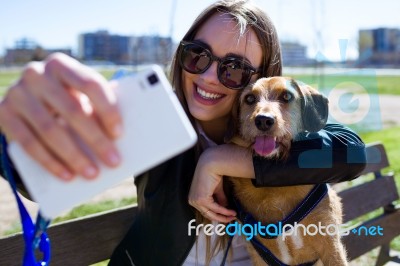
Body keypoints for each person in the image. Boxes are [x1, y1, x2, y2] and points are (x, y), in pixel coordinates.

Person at [0, 0, 366, 265]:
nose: (207, 76)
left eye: (235, 69)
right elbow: (37, 176)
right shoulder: (155, 122)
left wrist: (218, 159)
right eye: (198, 55)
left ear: (262, 79)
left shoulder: (279, 122)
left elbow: (351, 152)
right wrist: (16, 127)